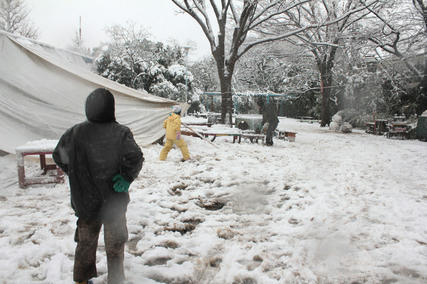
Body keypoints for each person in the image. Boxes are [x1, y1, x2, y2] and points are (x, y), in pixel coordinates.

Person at [53, 88, 144, 284]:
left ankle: (82, 280)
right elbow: (136, 157)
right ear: (111, 109)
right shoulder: (120, 133)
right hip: (113, 202)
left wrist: (75, 172)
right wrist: (126, 177)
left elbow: (58, 155)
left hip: (85, 202)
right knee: (115, 245)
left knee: (85, 244)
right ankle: (116, 279)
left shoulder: (75, 132)